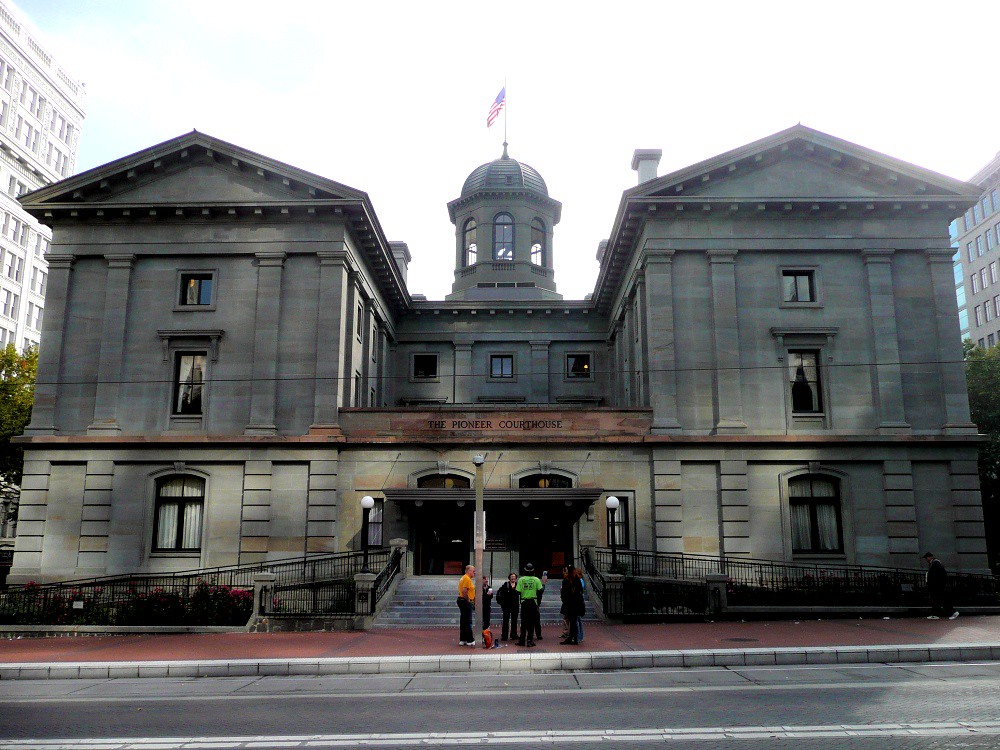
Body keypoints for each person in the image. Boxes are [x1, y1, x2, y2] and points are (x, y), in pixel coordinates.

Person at [923, 552, 959, 620]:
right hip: (937, 586)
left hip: (937, 586)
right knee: (938, 600)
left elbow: (939, 575)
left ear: (930, 557)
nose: (926, 559)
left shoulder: (935, 563)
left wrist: (936, 584)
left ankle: (952, 612)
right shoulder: (934, 563)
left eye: (926, 558)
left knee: (940, 600)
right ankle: (936, 614)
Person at [516, 562, 543, 647]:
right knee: (531, 622)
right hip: (533, 602)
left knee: (523, 622)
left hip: (524, 602)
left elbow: (517, 592)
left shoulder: (521, 580)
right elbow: (540, 590)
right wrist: (538, 602)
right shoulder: (536, 579)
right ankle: (529, 640)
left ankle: (522, 640)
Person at [560, 566, 585, 645]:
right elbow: (580, 592)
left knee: (572, 621)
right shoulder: (577, 580)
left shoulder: (566, 581)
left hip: (570, 604)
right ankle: (573, 638)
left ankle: (573, 638)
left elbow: (564, 594)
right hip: (576, 604)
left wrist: (565, 601)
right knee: (573, 621)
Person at [496, 572, 520, 642]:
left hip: (515, 606)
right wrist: (502, 603)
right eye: (512, 576)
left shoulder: (518, 585)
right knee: (505, 621)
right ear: (509, 578)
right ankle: (504, 636)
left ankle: (513, 634)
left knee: (514, 620)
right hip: (506, 606)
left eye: (514, 576)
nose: (513, 578)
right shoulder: (505, 585)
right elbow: (500, 593)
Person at [457, 564, 476, 646]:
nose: (474, 573)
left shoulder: (463, 578)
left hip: (461, 600)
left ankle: (463, 639)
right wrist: (468, 600)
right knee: (468, 621)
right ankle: (470, 640)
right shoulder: (467, 579)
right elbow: (464, 590)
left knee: (464, 620)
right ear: (469, 571)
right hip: (465, 601)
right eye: (473, 571)